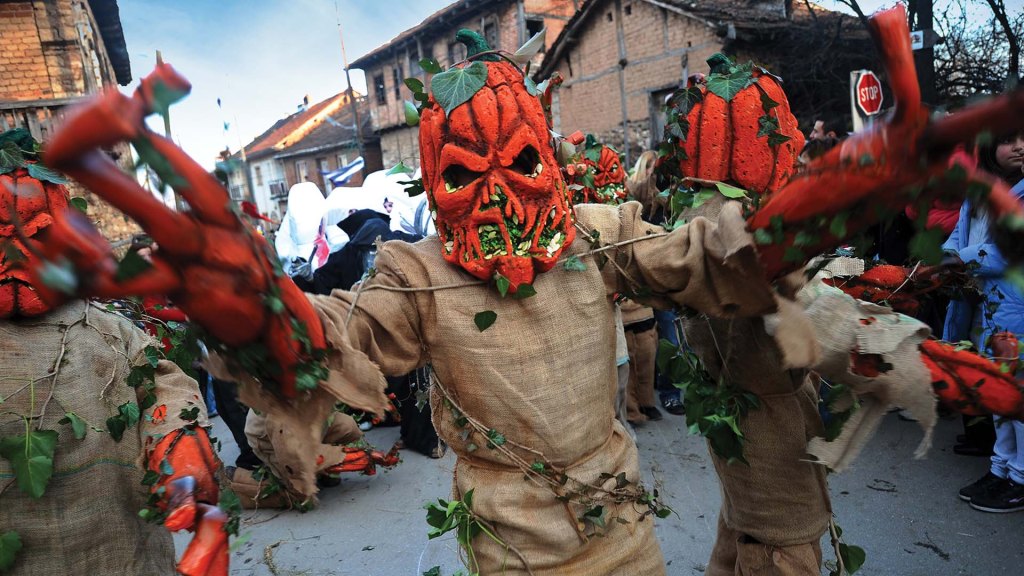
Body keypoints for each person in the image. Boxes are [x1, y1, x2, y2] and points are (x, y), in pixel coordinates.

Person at [0, 129, 226, 576]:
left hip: (123, 552)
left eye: (37, 233)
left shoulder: (104, 327)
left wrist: (177, 442)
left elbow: (161, 382)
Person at [948, 131, 1024, 512]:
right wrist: (937, 263)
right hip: (987, 311)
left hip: (1017, 314)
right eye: (1011, 140)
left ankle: (1020, 477)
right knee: (998, 393)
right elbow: (961, 235)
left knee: (1018, 395)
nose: (1021, 147)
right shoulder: (980, 193)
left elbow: (1007, 248)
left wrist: (959, 260)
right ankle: (1001, 468)